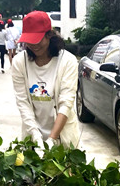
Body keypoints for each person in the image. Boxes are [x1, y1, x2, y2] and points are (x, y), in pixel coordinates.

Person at [11, 11, 80, 150]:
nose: (33, 45)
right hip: (31, 137)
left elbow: (66, 103)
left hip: (64, 138)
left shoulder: (68, 61)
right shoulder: (19, 62)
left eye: (37, 40)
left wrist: (51, 140)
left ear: (49, 35)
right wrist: (36, 136)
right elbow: (23, 102)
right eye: (29, 41)